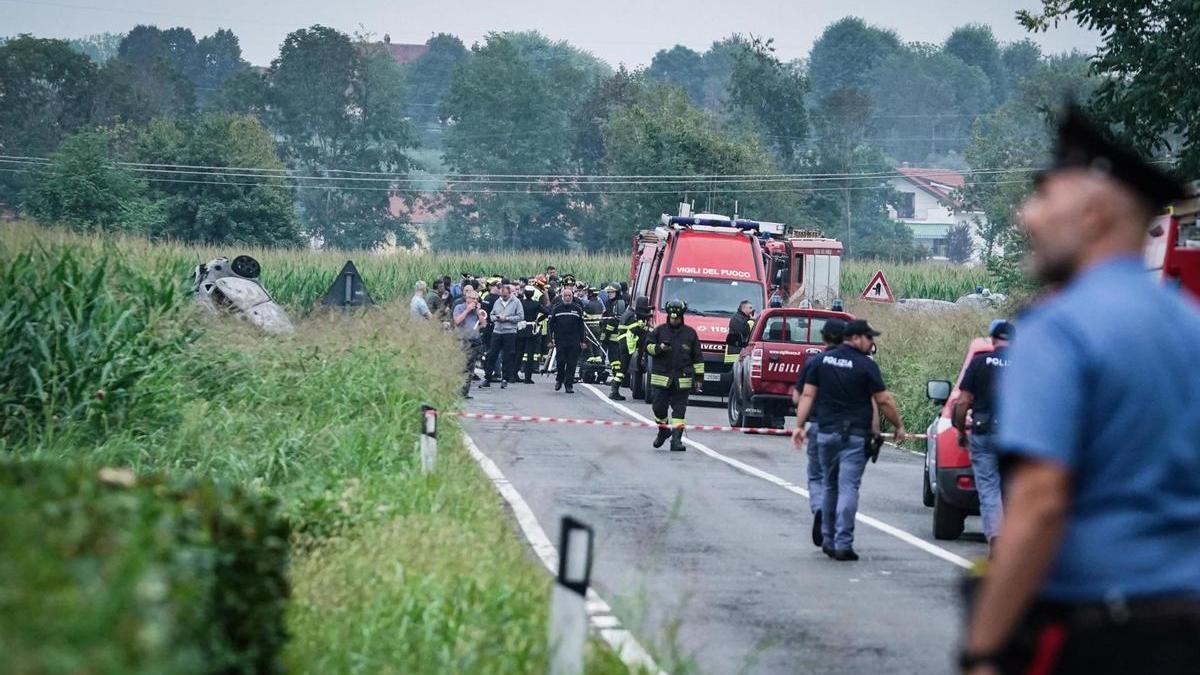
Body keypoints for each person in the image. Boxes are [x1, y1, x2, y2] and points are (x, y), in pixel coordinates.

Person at [960, 107, 1199, 675]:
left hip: (1101, 635)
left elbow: (1041, 500)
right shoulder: (1189, 324)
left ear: (1092, 214)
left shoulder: (1059, 327)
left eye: (1043, 199)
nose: (1025, 217)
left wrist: (983, 649)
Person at [791, 319, 905, 561]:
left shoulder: (820, 361)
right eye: (869, 337)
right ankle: (843, 543)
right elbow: (882, 400)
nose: (872, 342)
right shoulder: (865, 365)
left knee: (830, 486)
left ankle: (829, 540)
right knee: (848, 488)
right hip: (854, 436)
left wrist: (799, 426)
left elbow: (807, 395)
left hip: (825, 434)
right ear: (855, 338)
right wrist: (898, 425)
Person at [952, 319, 1013, 552]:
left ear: (994, 339)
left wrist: (960, 430)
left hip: (984, 432)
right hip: (1014, 436)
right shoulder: (1026, 364)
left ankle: (996, 536)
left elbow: (963, 401)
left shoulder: (979, 363)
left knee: (989, 488)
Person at [792, 317, 847, 548]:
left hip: (820, 427)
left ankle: (819, 508)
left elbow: (800, 396)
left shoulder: (815, 362)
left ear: (823, 337)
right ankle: (839, 525)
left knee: (816, 475)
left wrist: (800, 424)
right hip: (849, 431)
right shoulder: (859, 362)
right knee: (841, 480)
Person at [645, 299, 704, 452]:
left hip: (682, 380)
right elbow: (647, 347)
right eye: (672, 318)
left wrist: (698, 379)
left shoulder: (690, 334)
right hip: (661, 379)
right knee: (658, 408)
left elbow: (697, 358)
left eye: (677, 318)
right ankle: (664, 430)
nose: (674, 320)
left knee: (679, 411)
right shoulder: (659, 330)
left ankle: (676, 440)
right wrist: (659, 348)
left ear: (681, 316)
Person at [608, 296, 651, 401]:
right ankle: (614, 390)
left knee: (623, 368)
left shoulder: (627, 313)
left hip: (623, 344)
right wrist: (643, 327)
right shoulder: (632, 316)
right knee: (623, 369)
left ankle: (615, 388)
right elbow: (635, 330)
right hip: (627, 345)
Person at [480, 281, 522, 389]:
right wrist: (496, 318)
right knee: (492, 354)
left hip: (509, 332)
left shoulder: (516, 302)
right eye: (501, 296)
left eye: (505, 296)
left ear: (510, 293)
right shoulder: (498, 302)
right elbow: (492, 314)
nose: (503, 298)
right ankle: (487, 378)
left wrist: (507, 319)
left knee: (507, 356)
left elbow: (520, 317)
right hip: (497, 331)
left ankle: (505, 379)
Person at [547, 286, 586, 393]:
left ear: (572, 297)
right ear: (562, 297)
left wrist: (583, 341)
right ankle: (559, 379)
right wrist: (550, 340)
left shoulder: (577, 309)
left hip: (574, 340)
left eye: (570, 296)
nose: (568, 297)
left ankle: (569, 385)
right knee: (561, 361)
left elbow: (581, 326)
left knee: (571, 363)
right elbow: (550, 325)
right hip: (561, 339)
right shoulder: (557, 309)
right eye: (566, 296)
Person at [452, 287, 487, 399]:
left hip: (474, 341)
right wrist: (467, 310)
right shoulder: (459, 307)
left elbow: (484, 324)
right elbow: (457, 321)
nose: (475, 301)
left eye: (477, 299)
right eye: (473, 299)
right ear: (467, 299)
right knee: (461, 366)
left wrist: (477, 312)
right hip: (462, 340)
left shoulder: (477, 311)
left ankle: (465, 392)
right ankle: (456, 390)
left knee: (470, 368)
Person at [517, 285, 547, 384]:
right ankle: (527, 377)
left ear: (525, 293)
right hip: (532, 329)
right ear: (533, 294)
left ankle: (514, 375)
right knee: (530, 354)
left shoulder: (520, 303)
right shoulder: (536, 304)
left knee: (519, 352)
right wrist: (538, 320)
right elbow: (546, 312)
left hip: (521, 328)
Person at [725, 300, 756, 366]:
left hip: (738, 351)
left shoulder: (743, 318)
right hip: (735, 352)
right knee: (734, 373)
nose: (752, 310)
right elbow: (745, 331)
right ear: (743, 308)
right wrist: (752, 321)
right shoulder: (737, 318)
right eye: (750, 308)